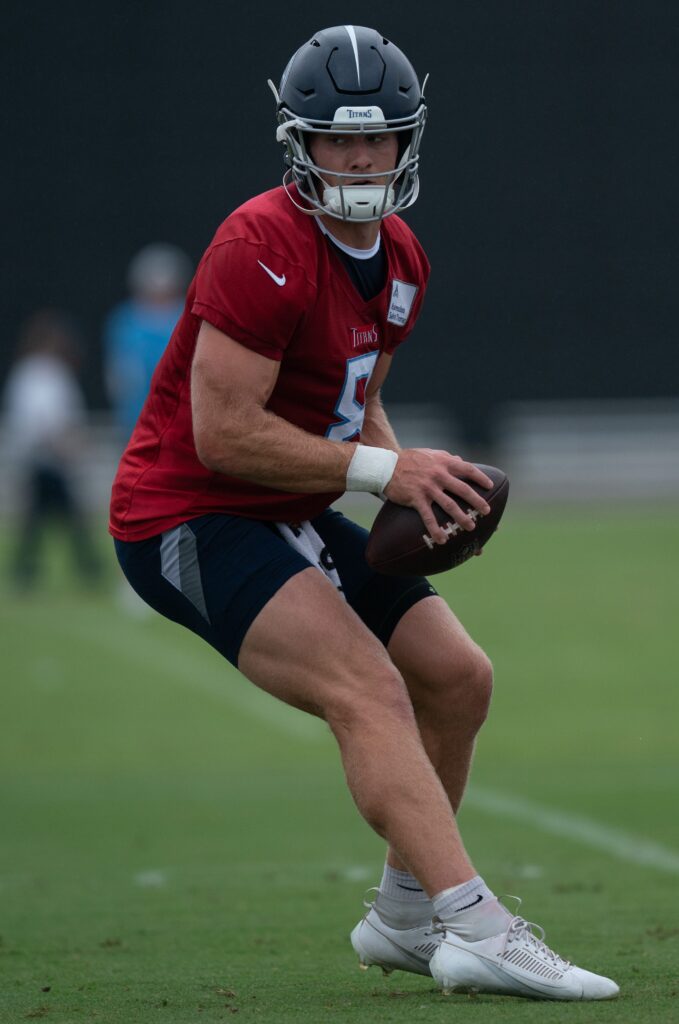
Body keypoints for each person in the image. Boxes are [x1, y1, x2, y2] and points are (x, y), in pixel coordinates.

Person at [109, 25, 618, 1000]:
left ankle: (403, 916)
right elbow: (221, 436)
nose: (356, 157)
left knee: (457, 675)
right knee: (368, 689)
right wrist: (384, 473)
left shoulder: (404, 262)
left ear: (406, 142)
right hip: (186, 514)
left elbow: (355, 402)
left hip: (285, 507)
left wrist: (404, 473)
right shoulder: (257, 244)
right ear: (297, 143)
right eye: (336, 139)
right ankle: (478, 921)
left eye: (376, 139)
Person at [3, 309, 102, 588]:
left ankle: (29, 572)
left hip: (42, 459)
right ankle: (87, 570)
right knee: (64, 520)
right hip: (46, 460)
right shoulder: (44, 373)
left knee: (42, 522)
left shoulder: (28, 372)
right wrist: (67, 447)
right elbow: (47, 420)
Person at [104, 243, 192, 442]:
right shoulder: (125, 322)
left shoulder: (186, 317)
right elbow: (120, 377)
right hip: (136, 422)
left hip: (182, 422)